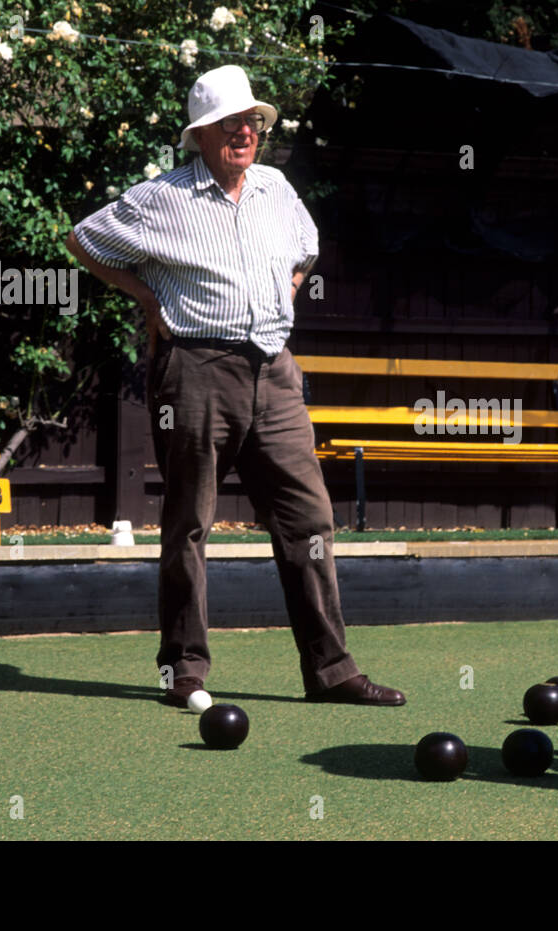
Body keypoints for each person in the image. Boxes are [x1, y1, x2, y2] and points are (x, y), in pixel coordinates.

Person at [65, 65, 405, 708]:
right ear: (201, 135)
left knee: (310, 520)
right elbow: (84, 239)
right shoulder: (160, 198)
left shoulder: (277, 188)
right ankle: (182, 672)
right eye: (230, 123)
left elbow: (306, 249)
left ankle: (331, 672)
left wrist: (283, 299)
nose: (244, 131)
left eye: (251, 121)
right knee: (188, 524)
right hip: (194, 369)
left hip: (275, 372)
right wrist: (145, 298)